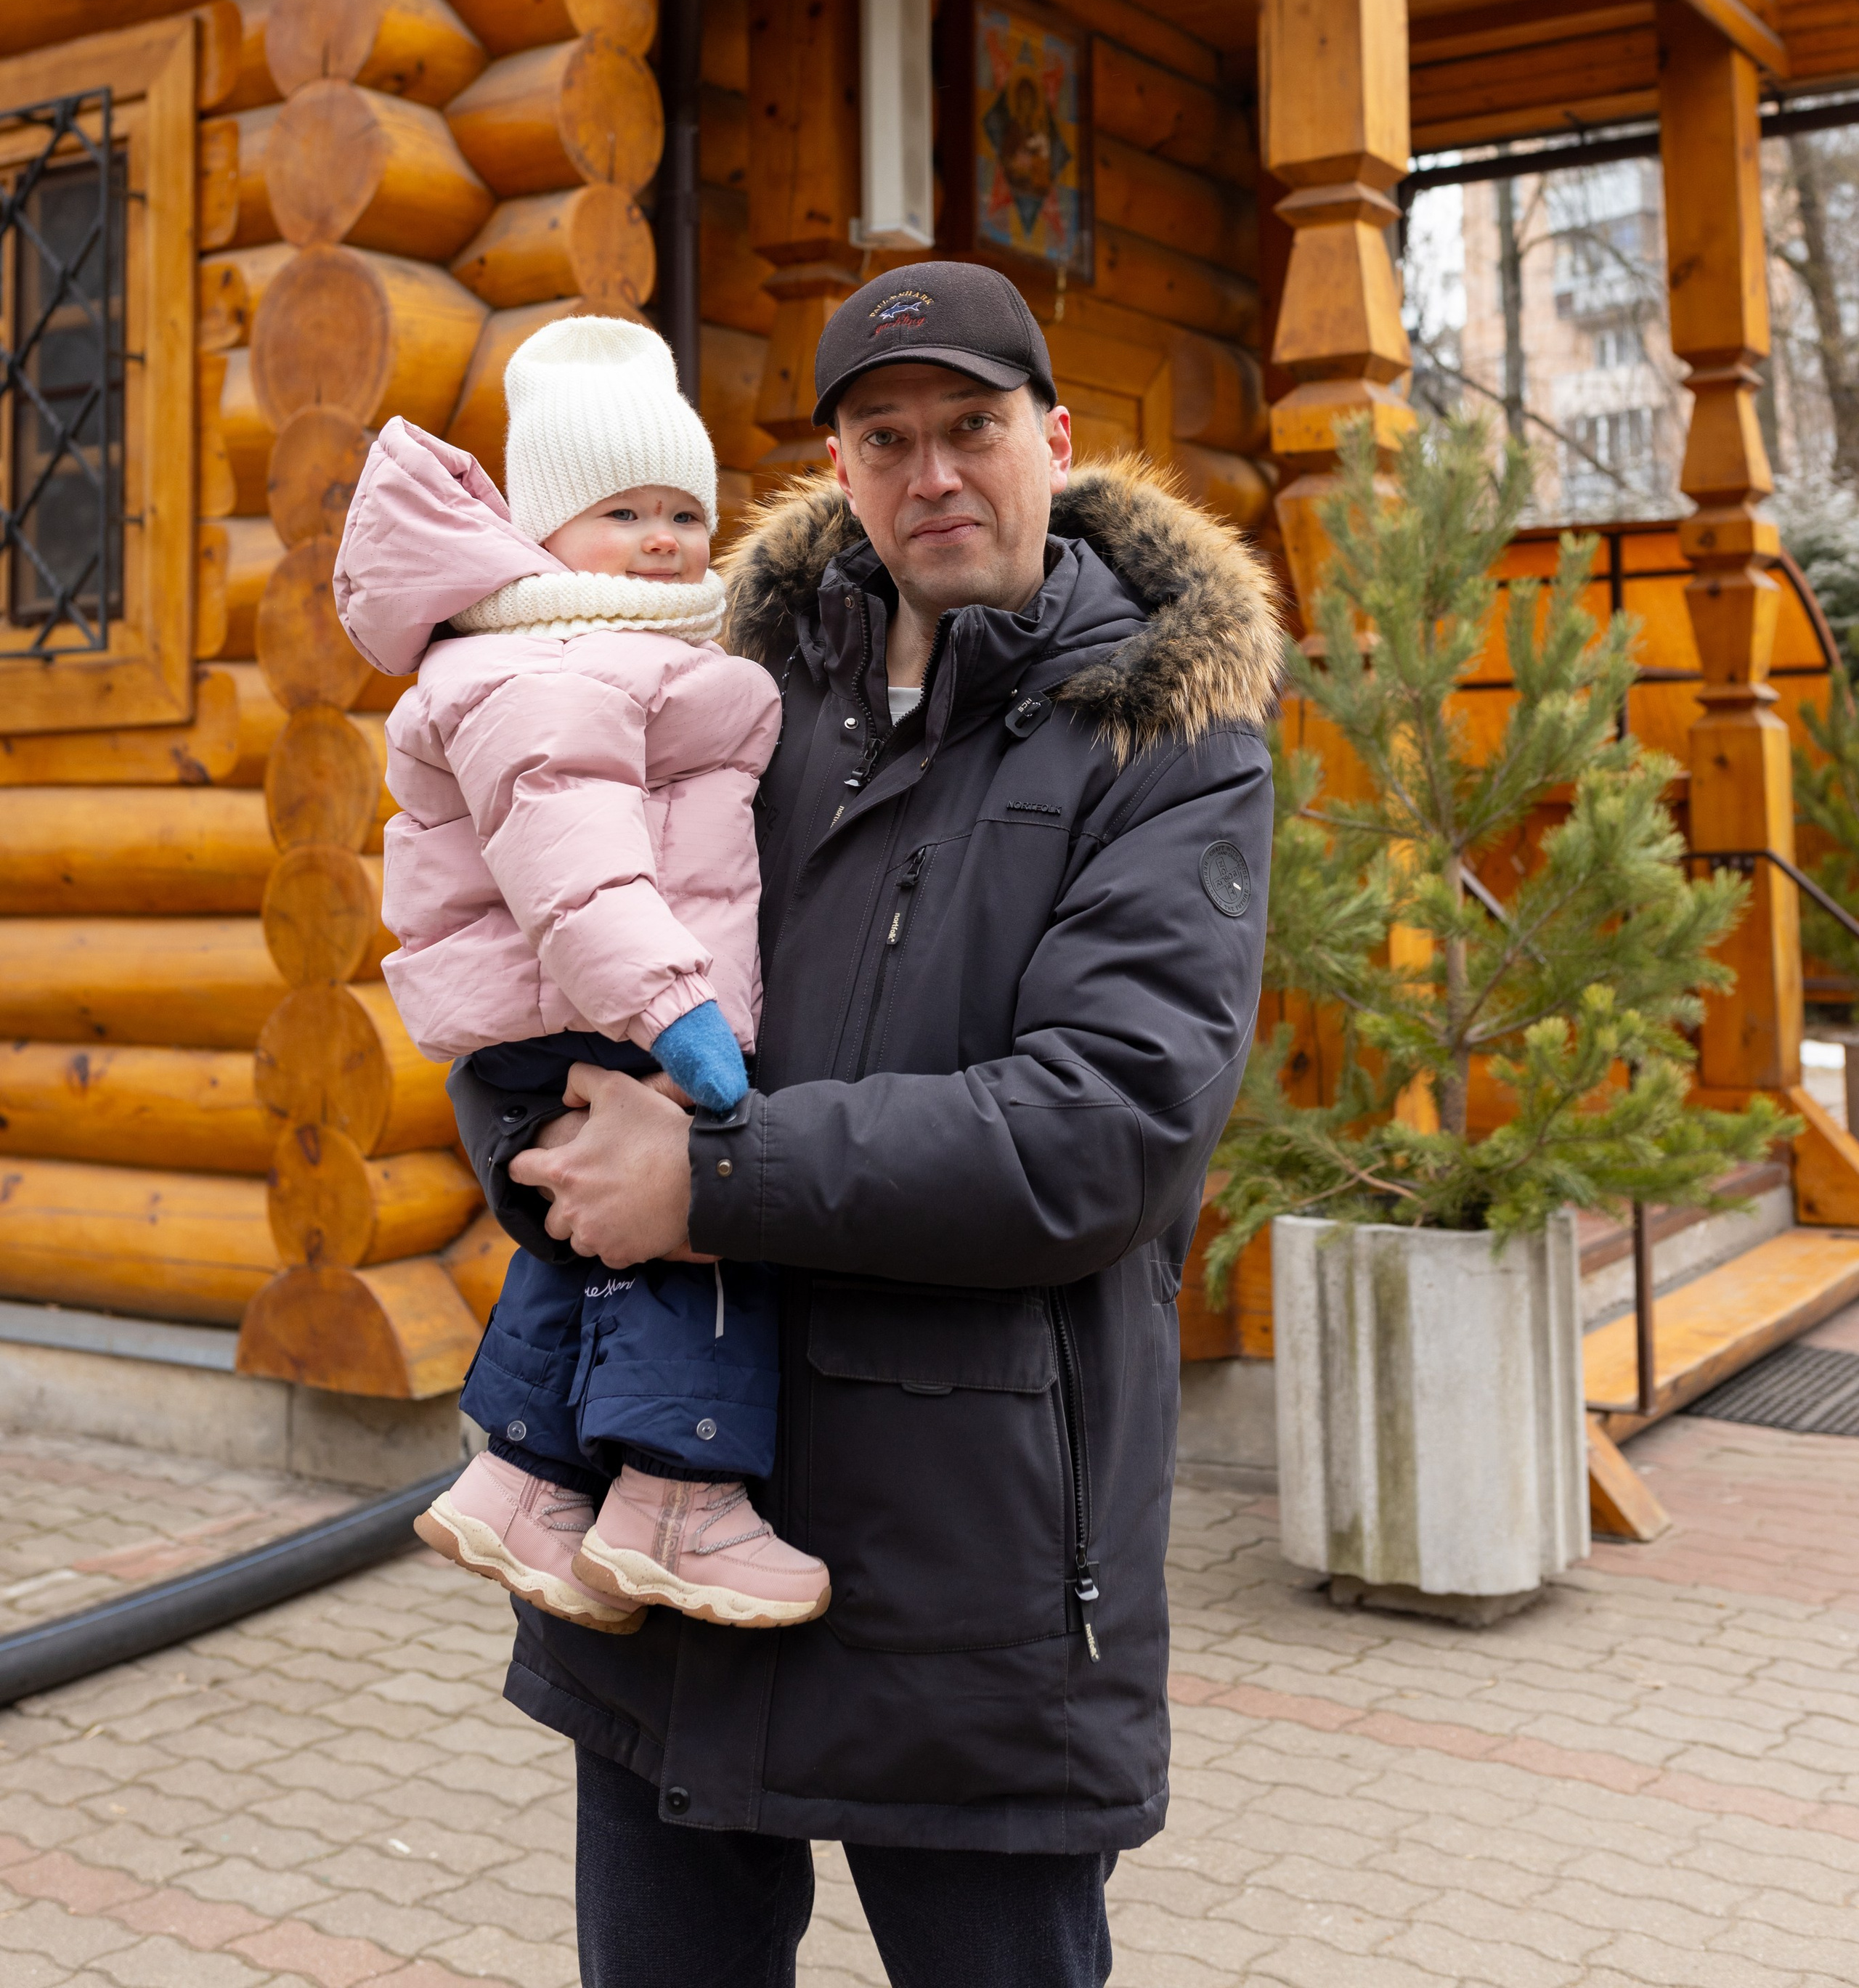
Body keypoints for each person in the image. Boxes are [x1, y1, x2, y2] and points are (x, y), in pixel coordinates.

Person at [481, 264, 1282, 1988]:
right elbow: (525, 952)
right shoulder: (711, 686)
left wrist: (703, 1180)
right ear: (838, 470)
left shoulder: (1161, 733)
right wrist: (537, 1154)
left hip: (969, 1561)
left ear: (1051, 441)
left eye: (971, 428)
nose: (933, 475)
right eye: (885, 439)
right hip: (671, 1524)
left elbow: (1104, 1130)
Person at [333, 315, 831, 1634]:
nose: (663, 539)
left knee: (588, 1237)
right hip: (603, 997)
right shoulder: (557, 659)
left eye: (684, 511)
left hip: (577, 1000)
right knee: (696, 1225)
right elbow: (577, 871)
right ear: (545, 531)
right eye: (624, 512)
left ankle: (525, 1478)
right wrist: (682, 1020)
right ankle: (681, 1498)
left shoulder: (598, 639)